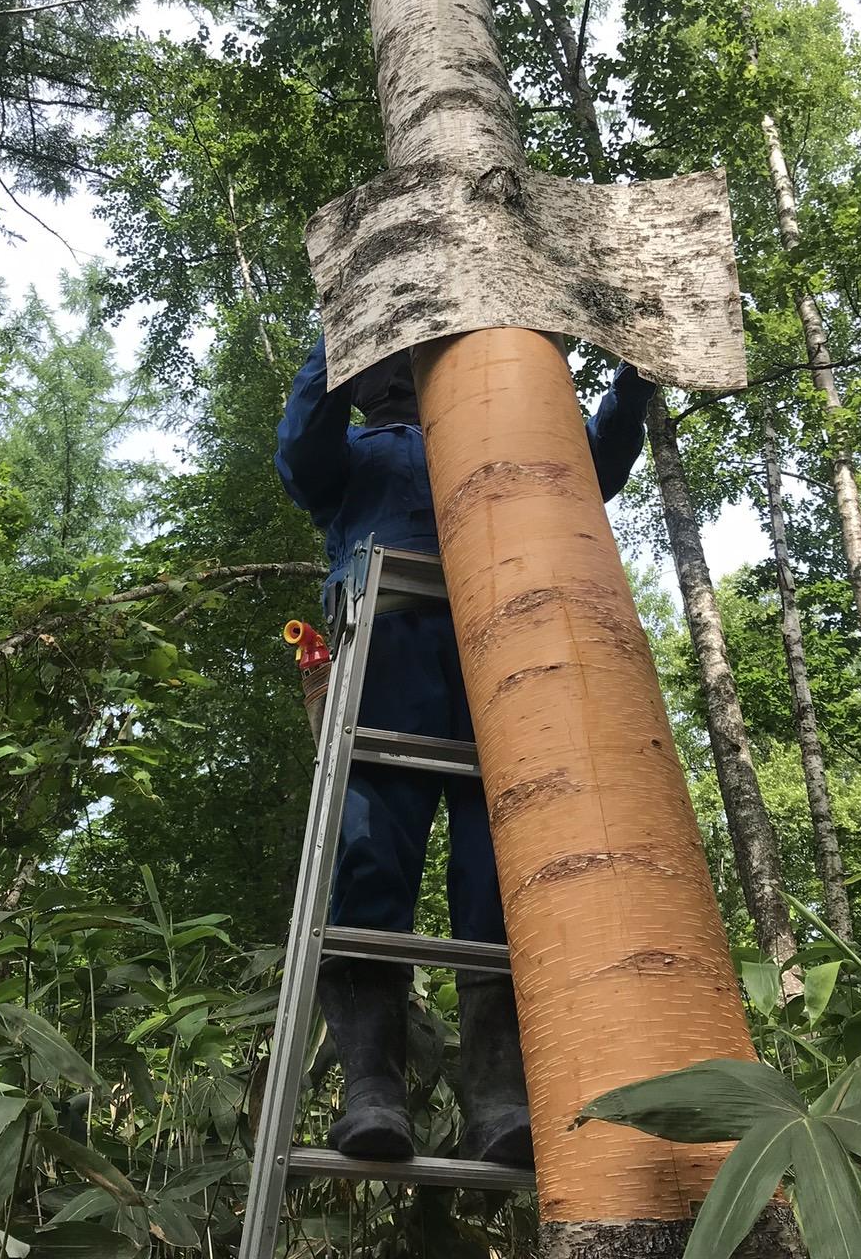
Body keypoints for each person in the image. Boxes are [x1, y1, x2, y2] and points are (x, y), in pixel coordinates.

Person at [275, 334, 656, 1166]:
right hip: (390, 640)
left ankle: (500, 1096)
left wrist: (635, 374)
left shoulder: (499, 426)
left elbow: (591, 465)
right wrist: (335, 334)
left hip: (510, 654)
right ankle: (371, 1088)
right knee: (371, 855)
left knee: (503, 872)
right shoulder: (358, 451)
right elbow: (301, 453)